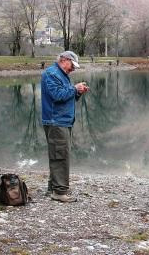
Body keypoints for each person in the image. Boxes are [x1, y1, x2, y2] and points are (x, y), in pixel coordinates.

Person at [41, 51, 89, 203]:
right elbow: (57, 95)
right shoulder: (51, 73)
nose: (73, 69)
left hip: (63, 121)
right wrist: (74, 88)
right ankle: (60, 192)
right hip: (56, 121)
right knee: (60, 156)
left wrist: (78, 92)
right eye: (72, 65)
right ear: (64, 60)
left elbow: (67, 97)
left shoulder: (61, 75)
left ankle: (53, 187)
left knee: (58, 153)